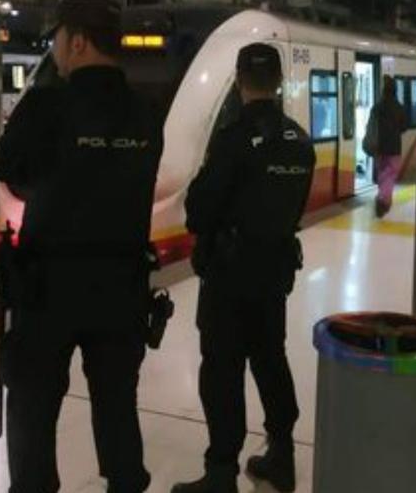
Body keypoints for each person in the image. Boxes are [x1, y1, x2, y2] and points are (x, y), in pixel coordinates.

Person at [0, 0, 164, 492]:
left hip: (49, 289)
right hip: (122, 287)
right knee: (116, 408)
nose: (55, 51)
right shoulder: (146, 113)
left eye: (57, 40)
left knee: (32, 407)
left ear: (78, 41)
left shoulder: (48, 105)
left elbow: (9, 169)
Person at [173, 43, 315, 493]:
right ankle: (282, 456)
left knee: (222, 371)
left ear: (239, 81)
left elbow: (198, 211)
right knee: (271, 360)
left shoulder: (233, 141)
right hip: (274, 277)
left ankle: (220, 474)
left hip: (229, 280)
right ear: (278, 82)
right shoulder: (300, 144)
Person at [368, 75, 408, 218]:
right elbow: (404, 127)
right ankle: (382, 199)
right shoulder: (400, 108)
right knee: (390, 174)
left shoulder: (377, 107)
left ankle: (384, 200)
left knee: (382, 173)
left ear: (384, 91)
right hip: (394, 148)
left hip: (379, 148)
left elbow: (371, 126)